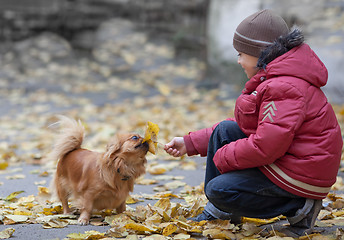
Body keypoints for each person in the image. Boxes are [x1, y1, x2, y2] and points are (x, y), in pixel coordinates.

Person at [164, 9, 343, 237]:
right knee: (224, 131)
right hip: (292, 161)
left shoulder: (285, 87)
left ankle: (300, 207)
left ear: (261, 55)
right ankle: (221, 211)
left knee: (219, 189)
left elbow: (265, 147)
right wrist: (190, 143)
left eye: (241, 54)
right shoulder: (277, 79)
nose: (238, 60)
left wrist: (222, 157)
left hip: (301, 176)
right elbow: (246, 128)